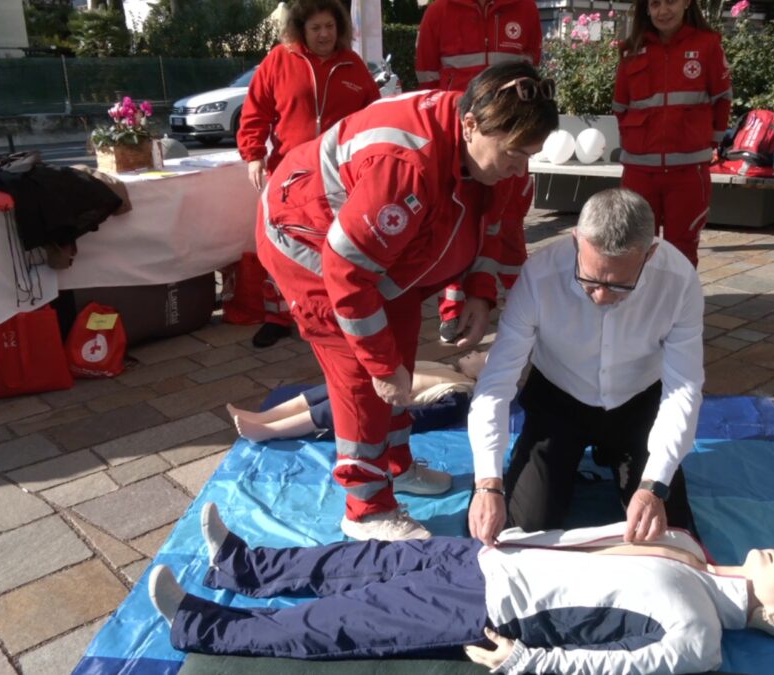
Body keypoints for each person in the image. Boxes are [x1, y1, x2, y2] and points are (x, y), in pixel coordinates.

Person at [255, 62, 559, 541]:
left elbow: (495, 228)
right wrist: (379, 366)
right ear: (471, 125)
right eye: (514, 155)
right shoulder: (406, 163)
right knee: (361, 374)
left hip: (377, 254)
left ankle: (394, 464)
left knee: (401, 355)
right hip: (308, 240)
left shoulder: (503, 159)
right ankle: (366, 507)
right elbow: (347, 272)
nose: (522, 168)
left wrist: (475, 293)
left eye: (531, 155)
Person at [147, 503, 774, 672]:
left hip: (490, 605)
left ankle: (201, 625)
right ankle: (243, 566)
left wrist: (529, 660)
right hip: (491, 556)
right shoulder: (688, 547)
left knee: (344, 618)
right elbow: (590, 540)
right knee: (352, 561)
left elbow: (619, 667)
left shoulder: (700, 635)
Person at [468, 188, 704, 547]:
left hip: (637, 402)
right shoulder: (539, 275)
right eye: (590, 280)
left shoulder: (679, 280)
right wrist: (487, 481)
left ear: (650, 253)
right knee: (525, 527)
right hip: (559, 399)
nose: (601, 297)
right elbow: (497, 381)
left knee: (667, 533)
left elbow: (683, 388)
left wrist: (654, 484)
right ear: (576, 240)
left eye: (621, 285)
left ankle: (618, 456)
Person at [235, 0, 382, 349]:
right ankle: (277, 317)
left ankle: (336, 312)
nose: (324, 35)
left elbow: (373, 116)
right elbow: (255, 111)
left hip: (339, 176)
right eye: (315, 28)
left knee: (338, 246)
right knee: (283, 247)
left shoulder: (352, 64)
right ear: (302, 30)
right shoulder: (279, 60)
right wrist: (254, 155)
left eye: (330, 27)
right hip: (289, 174)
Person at [414, 0, 543, 344]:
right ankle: (453, 310)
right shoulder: (439, 11)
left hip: (512, 140)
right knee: (457, 223)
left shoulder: (525, 9)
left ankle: (516, 305)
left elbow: (533, 74)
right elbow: (426, 80)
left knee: (511, 223)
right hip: (461, 145)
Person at [613, 0, 731, 268]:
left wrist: (706, 142)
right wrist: (636, 144)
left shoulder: (708, 45)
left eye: (670, 2)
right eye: (654, 4)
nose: (662, 11)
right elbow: (620, 107)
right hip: (639, 173)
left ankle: (678, 309)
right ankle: (639, 308)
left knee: (683, 249)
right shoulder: (631, 50)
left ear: (686, 3)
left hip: (688, 173)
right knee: (635, 247)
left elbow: (722, 99)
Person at [225, 352, 488, 441]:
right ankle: (263, 416)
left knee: (336, 407)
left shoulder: (460, 393)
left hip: (386, 403)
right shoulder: (446, 368)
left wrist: (395, 421)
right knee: (331, 387)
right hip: (379, 382)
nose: (473, 352)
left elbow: (426, 416)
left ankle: (269, 430)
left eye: (481, 356)